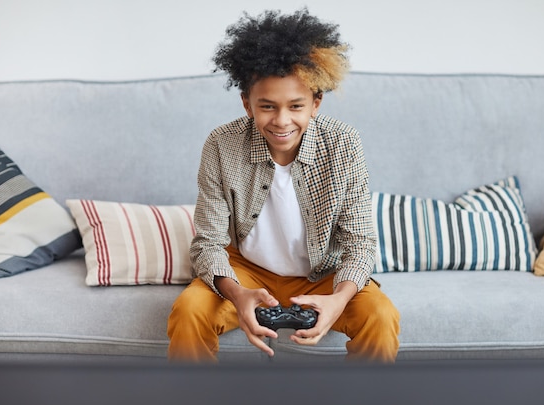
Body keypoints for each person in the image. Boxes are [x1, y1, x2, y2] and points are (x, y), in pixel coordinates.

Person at [167, 8, 400, 362]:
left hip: (323, 274)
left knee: (381, 316)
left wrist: (338, 301)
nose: (281, 120)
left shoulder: (344, 144)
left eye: (296, 106)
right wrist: (237, 294)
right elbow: (208, 244)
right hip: (245, 270)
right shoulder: (221, 144)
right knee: (189, 311)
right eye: (267, 106)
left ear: (315, 103)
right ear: (247, 103)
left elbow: (360, 243)